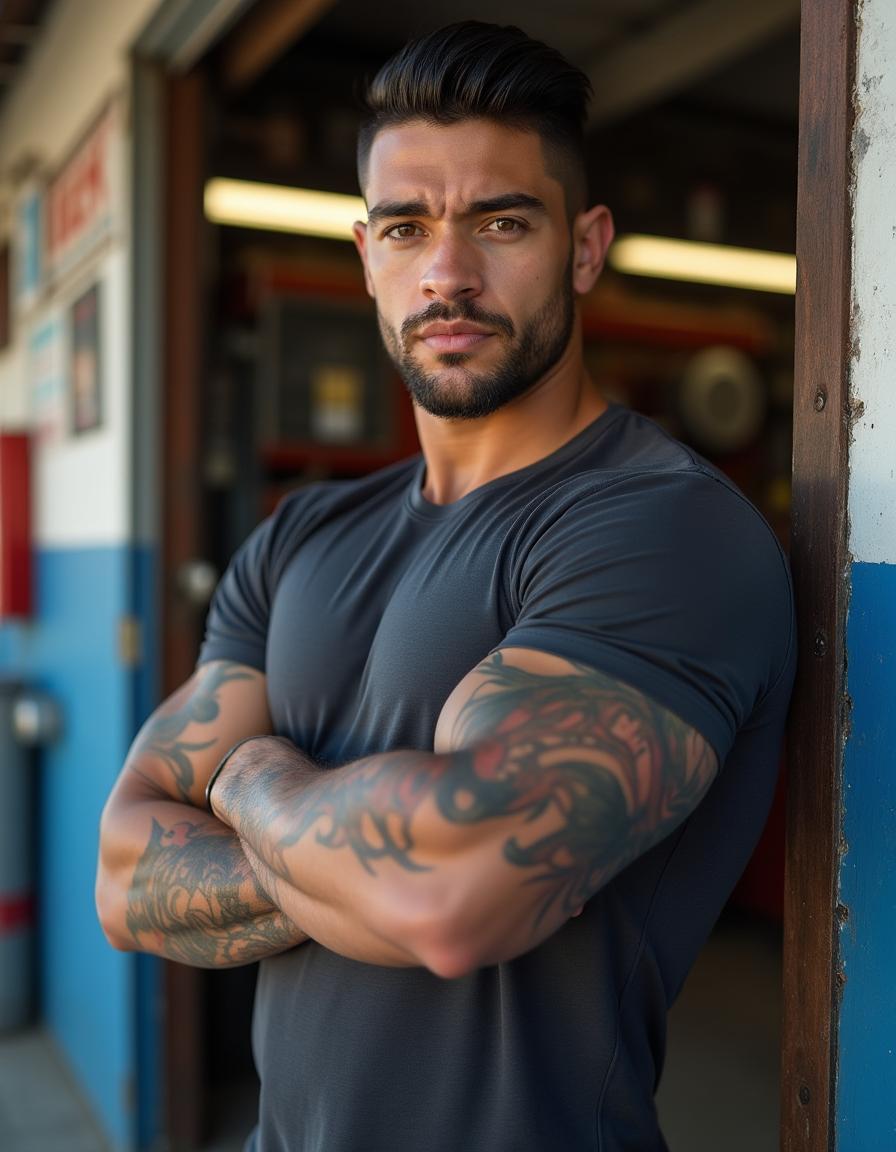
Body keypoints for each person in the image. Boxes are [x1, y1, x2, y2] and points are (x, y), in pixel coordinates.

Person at [96, 21, 795, 1152]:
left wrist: (250, 775)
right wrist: (370, 865)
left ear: (583, 246)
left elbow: (448, 898)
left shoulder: (664, 529)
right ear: (366, 251)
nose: (447, 274)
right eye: (409, 228)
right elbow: (125, 878)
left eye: (501, 223)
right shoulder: (302, 533)